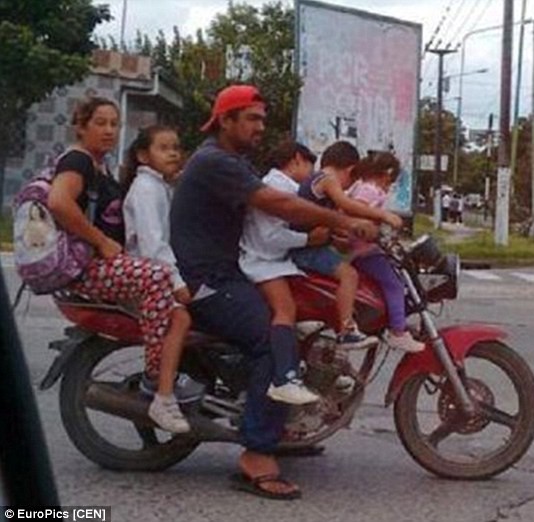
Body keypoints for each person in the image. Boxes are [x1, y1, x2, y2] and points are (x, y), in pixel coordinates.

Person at [170, 84, 377, 500]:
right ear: (225, 120)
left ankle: (278, 421)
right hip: (207, 281)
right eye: (252, 118)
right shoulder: (215, 162)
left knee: (294, 322)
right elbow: (278, 205)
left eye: (262, 119)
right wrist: (343, 221)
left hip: (229, 271)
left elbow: (278, 219)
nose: (260, 126)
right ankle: (257, 453)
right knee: (273, 340)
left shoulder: (233, 161)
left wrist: (326, 236)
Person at [47, 98, 203, 433]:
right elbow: (58, 202)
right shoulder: (78, 160)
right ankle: (155, 381)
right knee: (159, 276)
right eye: (100, 123)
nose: (109, 130)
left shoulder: (101, 166)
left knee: (180, 315)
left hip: (106, 265)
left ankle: (166, 391)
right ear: (81, 127)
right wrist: (101, 241)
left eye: (114, 124)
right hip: (86, 267)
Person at [121, 125, 202, 433]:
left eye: (176, 148)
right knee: (181, 318)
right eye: (164, 148)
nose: (173, 154)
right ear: (144, 155)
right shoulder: (145, 188)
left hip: (155, 273)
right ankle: (163, 394)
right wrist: (177, 283)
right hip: (146, 277)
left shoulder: (159, 186)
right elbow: (153, 245)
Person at [290, 141, 401, 349]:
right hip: (306, 250)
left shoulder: (318, 182)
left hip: (309, 246)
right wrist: (383, 215)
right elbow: (348, 205)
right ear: (350, 170)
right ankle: (346, 330)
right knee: (349, 275)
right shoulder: (327, 178)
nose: (350, 189)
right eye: (353, 181)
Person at [240, 140, 325, 405]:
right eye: (310, 166)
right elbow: (270, 237)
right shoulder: (279, 188)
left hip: (275, 260)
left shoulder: (281, 185)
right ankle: (285, 378)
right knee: (285, 309)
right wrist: (308, 240)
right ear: (297, 159)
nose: (311, 174)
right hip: (262, 261)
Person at [347, 152, 425, 353]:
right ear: (385, 175)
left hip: (361, 249)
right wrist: (383, 219)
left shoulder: (360, 186)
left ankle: (394, 321)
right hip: (362, 251)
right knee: (395, 284)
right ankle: (397, 331)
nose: (389, 187)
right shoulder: (369, 190)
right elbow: (357, 212)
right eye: (390, 182)